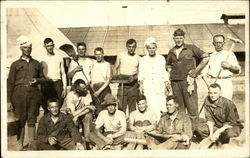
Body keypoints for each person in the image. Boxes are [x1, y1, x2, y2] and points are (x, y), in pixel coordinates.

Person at [7, 35, 45, 150]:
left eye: (30, 47)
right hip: (18, 95)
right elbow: (10, 83)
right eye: (25, 48)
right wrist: (8, 100)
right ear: (21, 49)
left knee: (32, 119)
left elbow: (43, 78)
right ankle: (20, 145)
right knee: (20, 120)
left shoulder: (37, 63)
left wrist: (37, 80)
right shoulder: (15, 64)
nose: (28, 50)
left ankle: (32, 145)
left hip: (33, 95)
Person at [166, 28, 209, 118]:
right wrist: (171, 71)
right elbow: (168, 65)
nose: (178, 40)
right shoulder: (171, 51)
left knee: (192, 107)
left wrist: (195, 72)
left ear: (184, 38)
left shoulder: (191, 48)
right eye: (176, 38)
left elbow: (206, 57)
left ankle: (194, 130)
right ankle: (182, 129)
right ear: (174, 38)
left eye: (180, 38)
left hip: (188, 82)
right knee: (179, 108)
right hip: (175, 83)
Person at [193, 83, 243, 148]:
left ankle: (221, 140)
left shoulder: (228, 103)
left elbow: (232, 122)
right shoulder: (207, 100)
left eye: (215, 93)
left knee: (229, 133)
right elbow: (209, 119)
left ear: (220, 93)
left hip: (231, 126)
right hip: (217, 126)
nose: (212, 95)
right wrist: (211, 135)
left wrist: (218, 132)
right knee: (197, 126)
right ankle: (215, 138)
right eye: (211, 93)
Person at [138, 37, 171, 120]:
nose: (151, 50)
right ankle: (151, 124)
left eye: (153, 48)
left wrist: (167, 84)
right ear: (147, 49)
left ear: (156, 48)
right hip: (148, 86)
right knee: (150, 105)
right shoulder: (143, 60)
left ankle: (160, 124)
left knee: (160, 105)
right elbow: (141, 74)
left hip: (159, 85)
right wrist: (141, 85)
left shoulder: (161, 58)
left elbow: (164, 73)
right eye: (150, 48)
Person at [201, 34, 241, 100]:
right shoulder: (210, 57)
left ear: (223, 43)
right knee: (215, 106)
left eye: (220, 42)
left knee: (227, 105)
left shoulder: (230, 54)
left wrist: (229, 66)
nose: (218, 44)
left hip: (226, 83)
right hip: (214, 82)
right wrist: (210, 86)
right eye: (216, 43)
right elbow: (203, 74)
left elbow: (238, 71)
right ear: (213, 43)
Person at [113, 39, 141, 116]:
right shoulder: (121, 55)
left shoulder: (138, 58)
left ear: (136, 47)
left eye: (133, 47)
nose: (131, 48)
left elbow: (140, 73)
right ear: (126, 47)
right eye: (129, 47)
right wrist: (115, 77)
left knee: (132, 109)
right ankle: (121, 126)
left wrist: (134, 78)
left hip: (133, 85)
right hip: (122, 85)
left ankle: (131, 125)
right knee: (121, 107)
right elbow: (115, 67)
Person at [40, 38, 67, 114]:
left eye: (51, 45)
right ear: (44, 46)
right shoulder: (42, 59)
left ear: (53, 45)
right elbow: (40, 74)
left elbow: (63, 73)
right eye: (48, 46)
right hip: (47, 84)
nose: (50, 47)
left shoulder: (59, 57)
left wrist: (64, 87)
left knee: (58, 106)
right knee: (47, 107)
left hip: (58, 83)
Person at [91, 47, 112, 116]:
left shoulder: (107, 64)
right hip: (94, 89)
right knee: (98, 110)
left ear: (103, 54)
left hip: (104, 88)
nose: (98, 56)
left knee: (106, 109)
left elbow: (108, 80)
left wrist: (99, 91)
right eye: (96, 54)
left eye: (100, 54)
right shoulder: (92, 64)